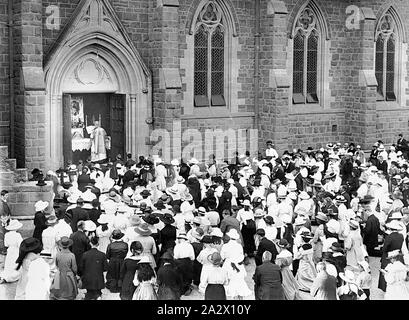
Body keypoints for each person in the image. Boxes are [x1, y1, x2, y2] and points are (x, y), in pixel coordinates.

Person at [0, 190, 11, 255]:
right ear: (2, 196)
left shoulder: (4, 202)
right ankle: (2, 250)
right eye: (6, 195)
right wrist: (4, 221)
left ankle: (4, 248)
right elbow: (2, 213)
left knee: (5, 234)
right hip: (3, 221)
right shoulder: (1, 203)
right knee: (2, 235)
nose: (7, 196)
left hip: (6, 220)